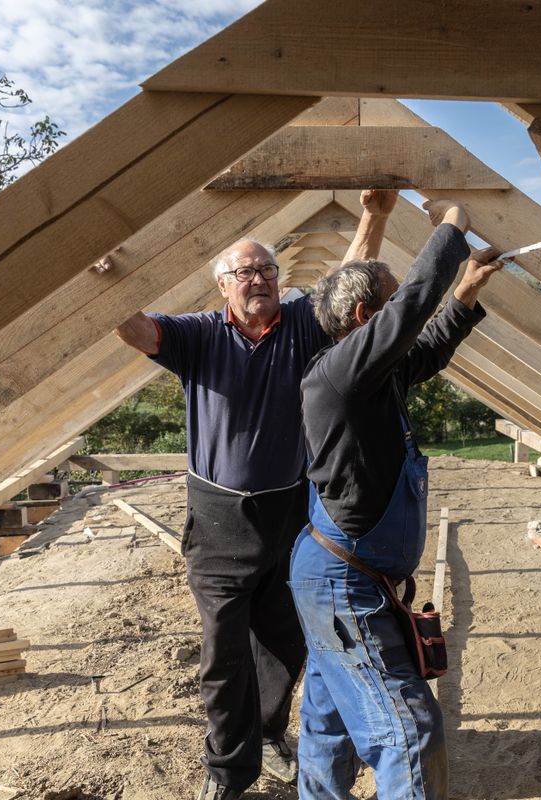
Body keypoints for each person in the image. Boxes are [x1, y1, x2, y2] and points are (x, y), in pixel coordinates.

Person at [105, 190, 398, 800]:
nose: (259, 279)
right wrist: (105, 281)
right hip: (217, 522)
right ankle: (227, 770)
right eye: (246, 272)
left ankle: (267, 734)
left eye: (267, 269)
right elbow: (134, 328)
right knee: (222, 653)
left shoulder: (300, 325)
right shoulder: (198, 337)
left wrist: (375, 214)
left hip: (289, 512)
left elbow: (350, 284)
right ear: (223, 285)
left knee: (285, 641)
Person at [289, 199, 501, 800]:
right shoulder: (340, 375)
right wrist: (451, 226)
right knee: (409, 734)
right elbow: (412, 307)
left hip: (347, 580)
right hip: (344, 586)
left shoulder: (372, 381)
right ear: (365, 317)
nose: (400, 322)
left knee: (329, 725)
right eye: (388, 307)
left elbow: (426, 346)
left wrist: (464, 294)